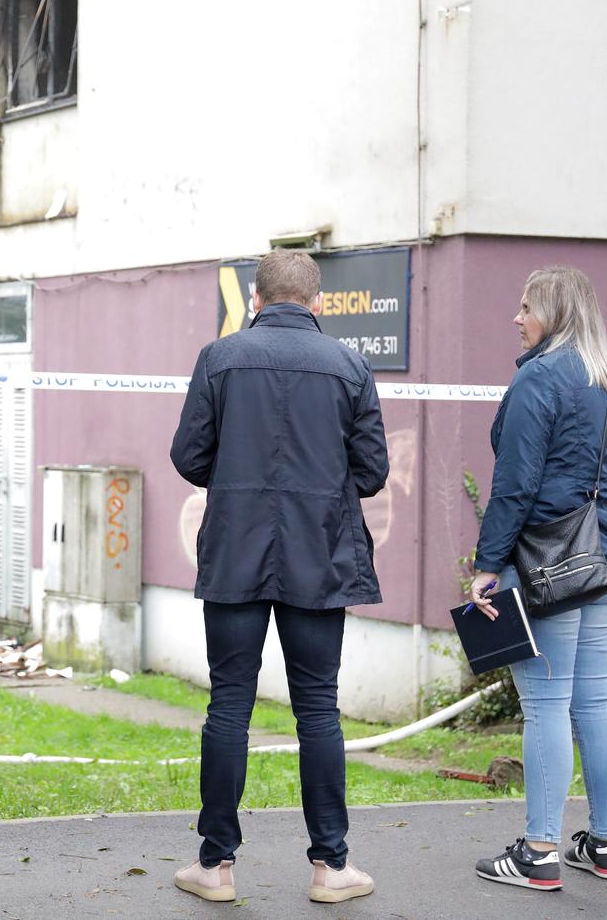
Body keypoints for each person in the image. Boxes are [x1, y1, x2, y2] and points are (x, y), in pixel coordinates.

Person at [168, 248, 389, 905]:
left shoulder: (219, 358)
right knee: (318, 706)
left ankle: (215, 865)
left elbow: (187, 455)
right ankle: (331, 867)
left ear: (256, 299)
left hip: (235, 549)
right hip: (319, 555)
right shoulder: (350, 365)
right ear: (318, 303)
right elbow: (372, 471)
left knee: (228, 703)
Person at [468, 266, 607, 892]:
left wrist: (487, 565)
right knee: (596, 697)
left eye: (525, 307)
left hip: (545, 567)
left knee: (546, 703)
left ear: (552, 312)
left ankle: (540, 852)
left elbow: (515, 485)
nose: (516, 318)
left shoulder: (538, 379)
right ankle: (606, 844)